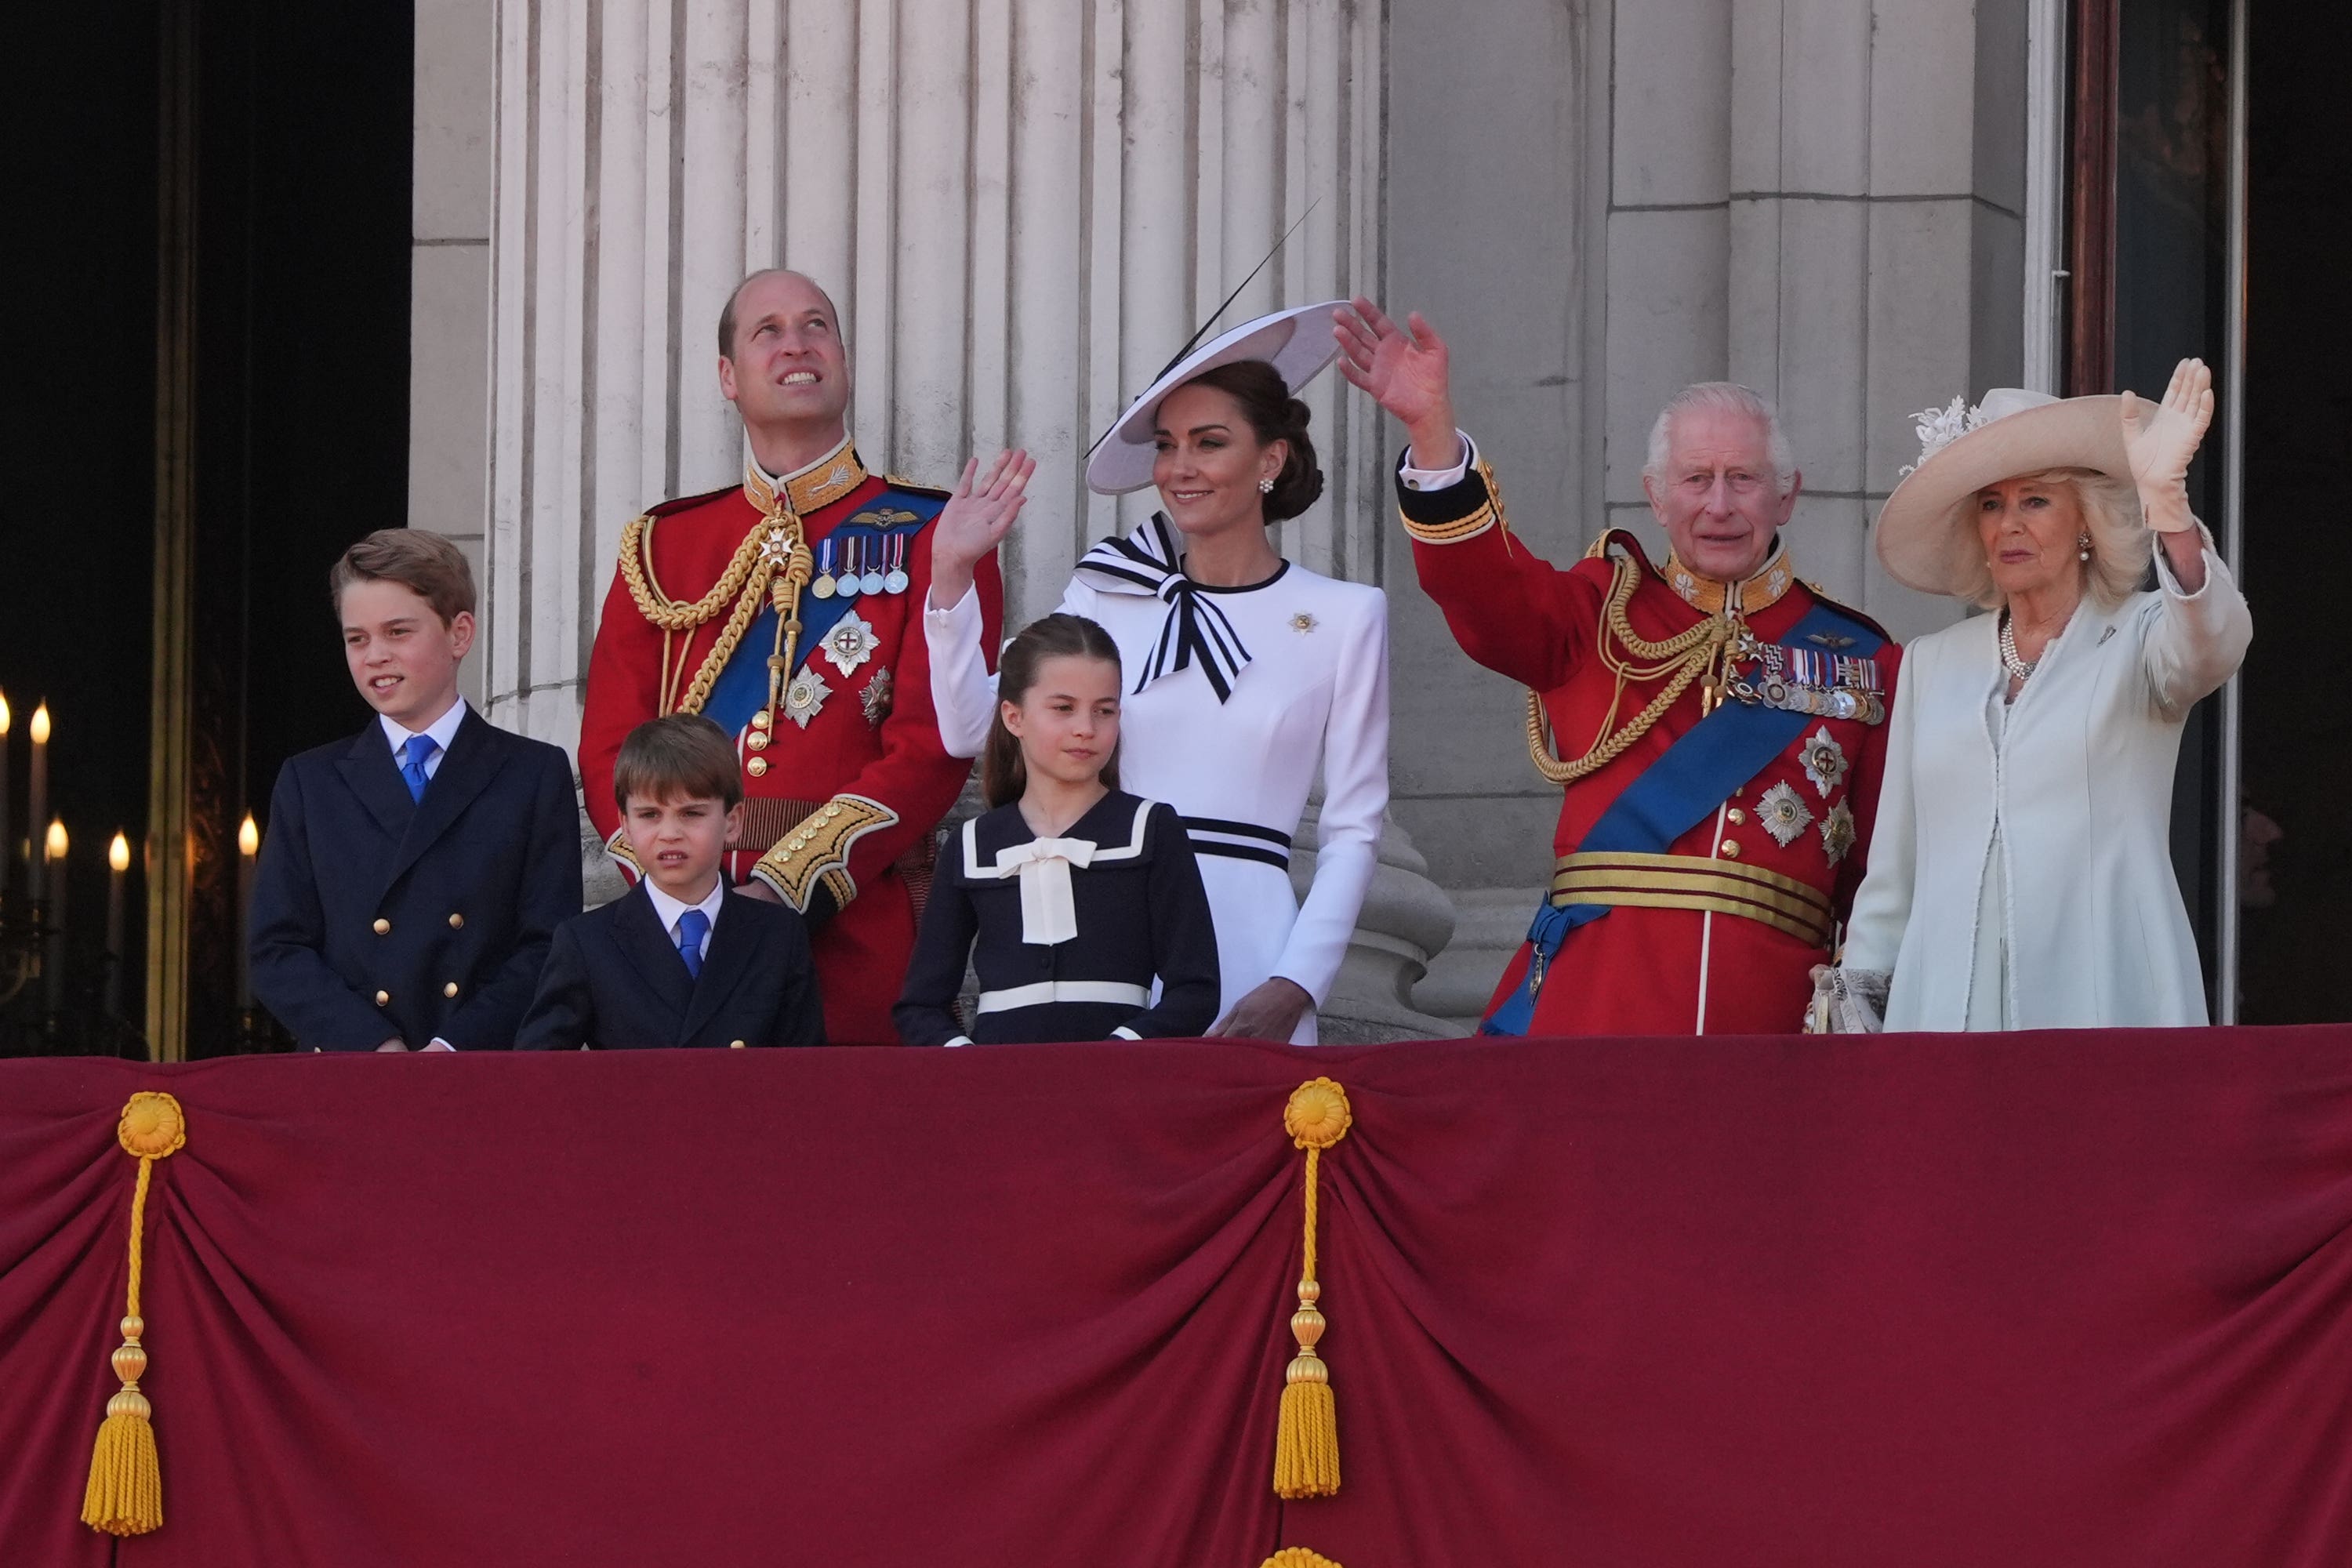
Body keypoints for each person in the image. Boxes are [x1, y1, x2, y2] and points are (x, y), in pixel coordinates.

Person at [1331, 298, 1901, 1035]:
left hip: (1773, 1025)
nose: (1719, 505)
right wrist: (1432, 433)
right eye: (1696, 480)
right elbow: (1485, 591)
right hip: (1596, 1006)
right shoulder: (1599, 614)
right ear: (1657, 497)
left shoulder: (1861, 660)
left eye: (1744, 479)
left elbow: (1879, 877)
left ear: (1787, 495)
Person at [576, 269, 1026, 1044]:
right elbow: (607, 752)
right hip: (682, 935)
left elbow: (929, 748)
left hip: (852, 935)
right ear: (728, 376)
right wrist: (681, 891)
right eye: (769, 330)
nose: (797, 344)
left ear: (844, 362)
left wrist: (786, 886)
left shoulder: (935, 533)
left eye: (817, 325)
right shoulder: (664, 546)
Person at [923, 303, 1389, 1044]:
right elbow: (970, 728)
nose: (1180, 469)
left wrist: (1297, 982)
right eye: (1168, 446)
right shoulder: (1110, 591)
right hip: (1107, 924)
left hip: (1253, 938)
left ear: (1270, 459)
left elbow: (1354, 830)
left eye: (1210, 443)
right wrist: (950, 576)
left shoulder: (1345, 615)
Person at [1815, 359, 2252, 1031]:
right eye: (1993, 504)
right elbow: (1894, 871)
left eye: (2035, 500)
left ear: (2085, 524)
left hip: (2106, 995)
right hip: (1944, 1012)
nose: (2009, 524)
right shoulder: (1932, 665)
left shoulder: (2139, 636)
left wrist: (2168, 509)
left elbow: (2214, 644)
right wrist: (1859, 1009)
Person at [250, 530, 583, 1051]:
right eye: (356, 638)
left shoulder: (532, 774)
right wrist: (374, 1044)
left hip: (478, 1071)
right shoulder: (310, 782)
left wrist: (451, 1048)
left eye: (398, 632)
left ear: (459, 634)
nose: (375, 655)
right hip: (350, 1074)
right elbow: (277, 950)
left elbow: (549, 945)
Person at [895, 615, 1218, 1045]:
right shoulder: (971, 845)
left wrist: (1122, 1050)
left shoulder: (1152, 829)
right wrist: (966, 1062)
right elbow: (920, 1006)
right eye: (1063, 708)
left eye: (1104, 710)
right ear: (1014, 717)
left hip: (1120, 1086)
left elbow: (1195, 990)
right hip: (1002, 1089)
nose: (1086, 727)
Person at [519, 714, 825, 1048]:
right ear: (625, 825)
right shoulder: (586, 942)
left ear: (732, 821)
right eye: (649, 815)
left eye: (691, 814)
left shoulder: (778, 935)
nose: (670, 834)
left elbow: (806, 1077)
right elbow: (539, 1076)